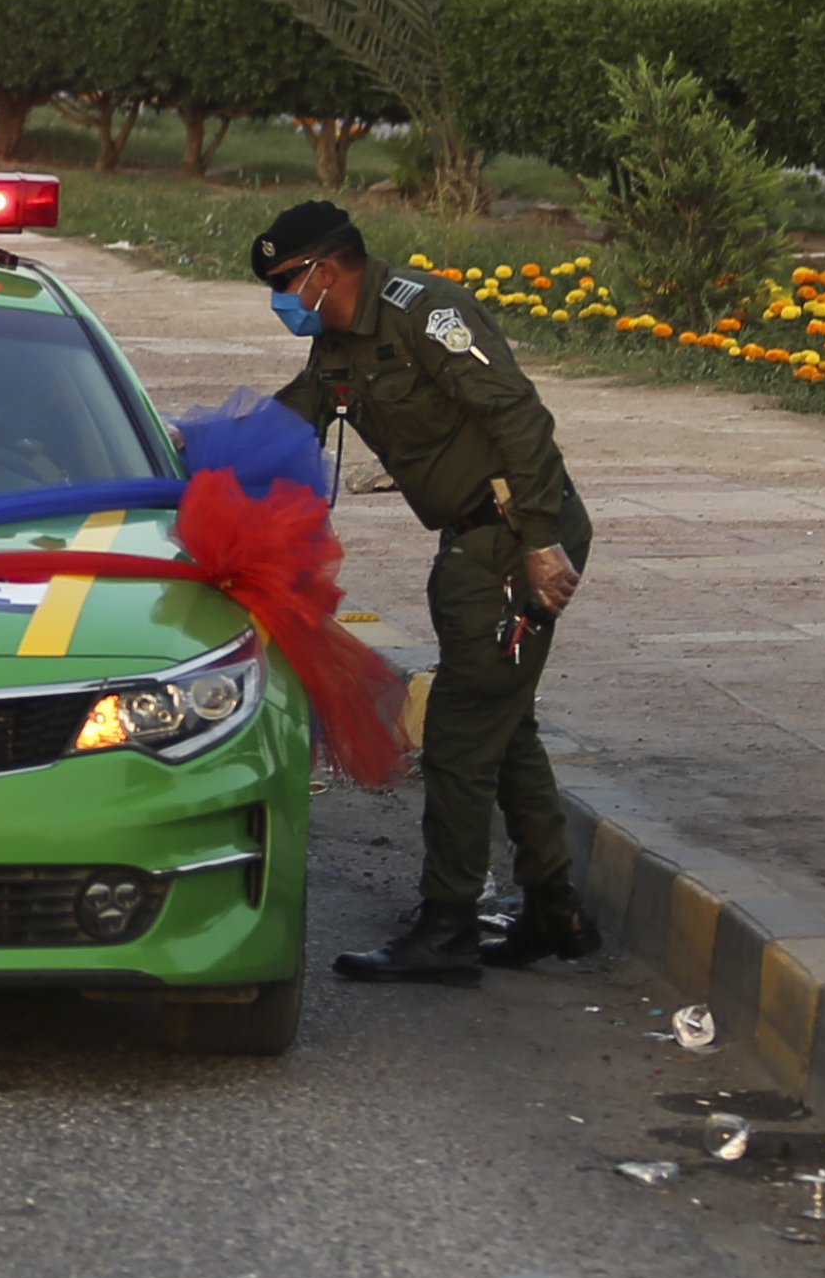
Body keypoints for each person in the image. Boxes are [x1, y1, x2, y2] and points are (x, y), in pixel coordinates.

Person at [255, 199, 595, 982]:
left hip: (513, 539)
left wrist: (541, 541)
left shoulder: (427, 312)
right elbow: (295, 419)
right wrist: (187, 448)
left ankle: (445, 929)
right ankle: (555, 913)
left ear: (325, 271)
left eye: (283, 282)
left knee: (458, 733)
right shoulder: (338, 344)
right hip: (473, 541)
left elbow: (519, 419)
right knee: (501, 728)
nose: (278, 300)